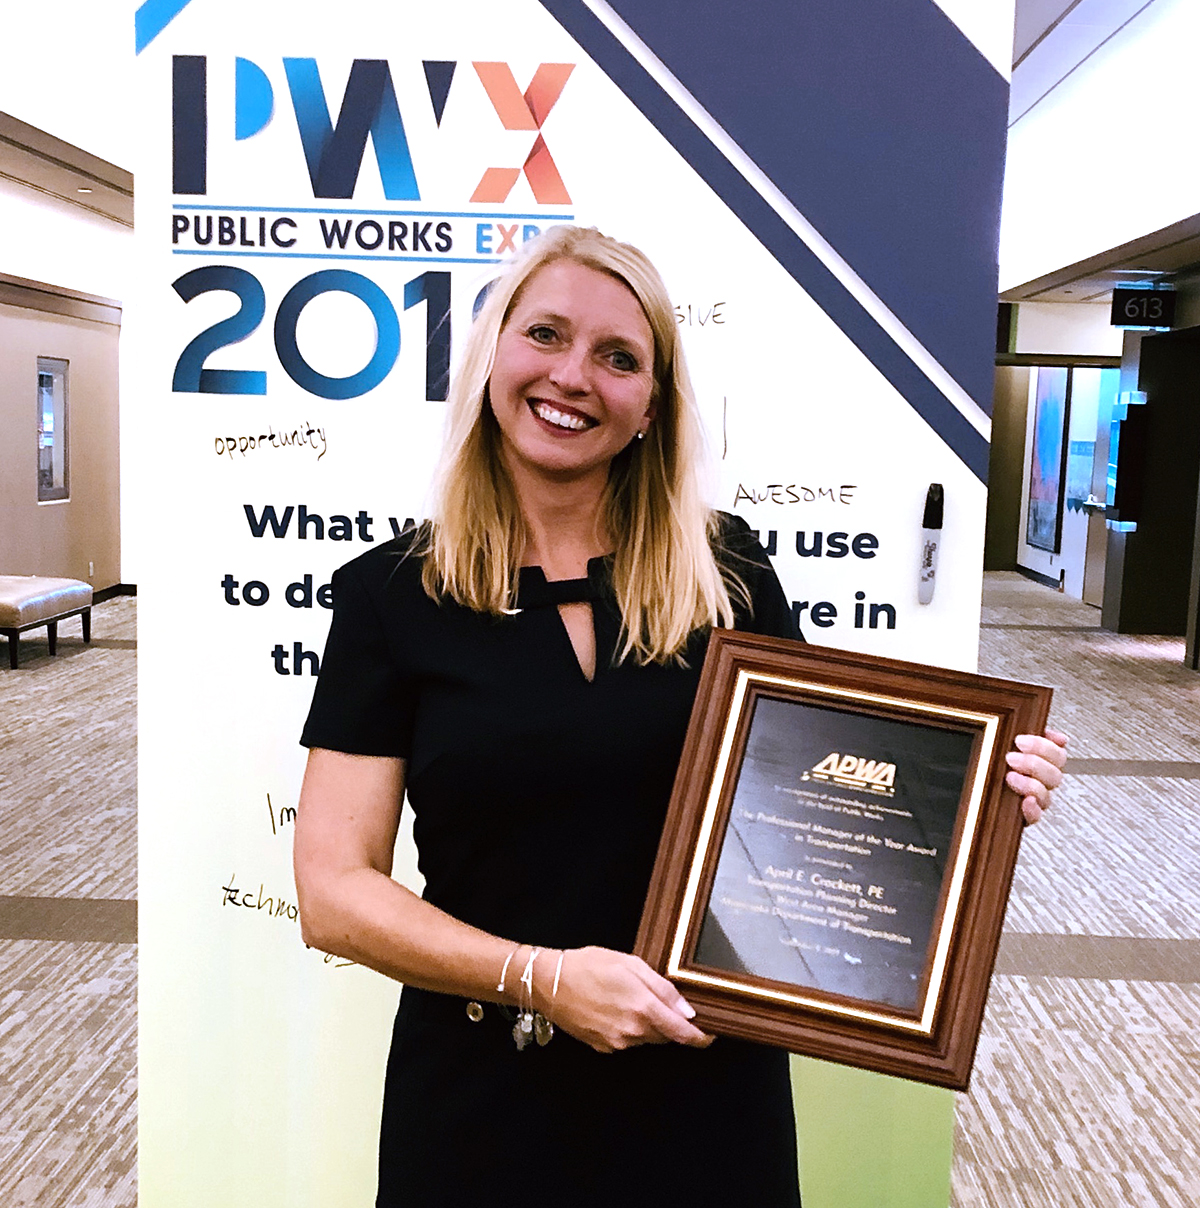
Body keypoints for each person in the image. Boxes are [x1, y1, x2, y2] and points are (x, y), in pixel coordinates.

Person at [293, 225, 1067, 1207]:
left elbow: (823, 799)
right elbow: (332, 888)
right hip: (484, 1089)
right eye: (546, 335)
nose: (573, 375)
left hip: (701, 1089)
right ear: (492, 355)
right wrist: (543, 977)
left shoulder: (729, 572)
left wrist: (979, 789)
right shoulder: (391, 595)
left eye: (619, 357)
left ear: (653, 405)